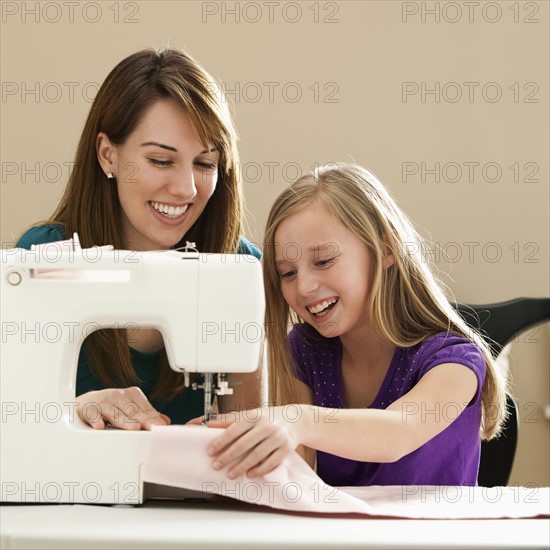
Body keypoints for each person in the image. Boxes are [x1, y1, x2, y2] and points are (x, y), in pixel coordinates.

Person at [202, 163, 509, 486]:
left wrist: (296, 421)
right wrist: (227, 440)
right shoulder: (306, 350)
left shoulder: (455, 361)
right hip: (345, 536)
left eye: (323, 261)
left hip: (438, 536)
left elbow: (397, 433)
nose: (304, 286)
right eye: (288, 273)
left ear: (387, 250)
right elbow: (300, 469)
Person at [16, 47, 261, 429]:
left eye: (205, 164)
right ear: (107, 154)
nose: (186, 189)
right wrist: (75, 408)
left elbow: (252, 437)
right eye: (161, 161)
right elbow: (16, 426)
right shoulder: (43, 259)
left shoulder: (241, 267)